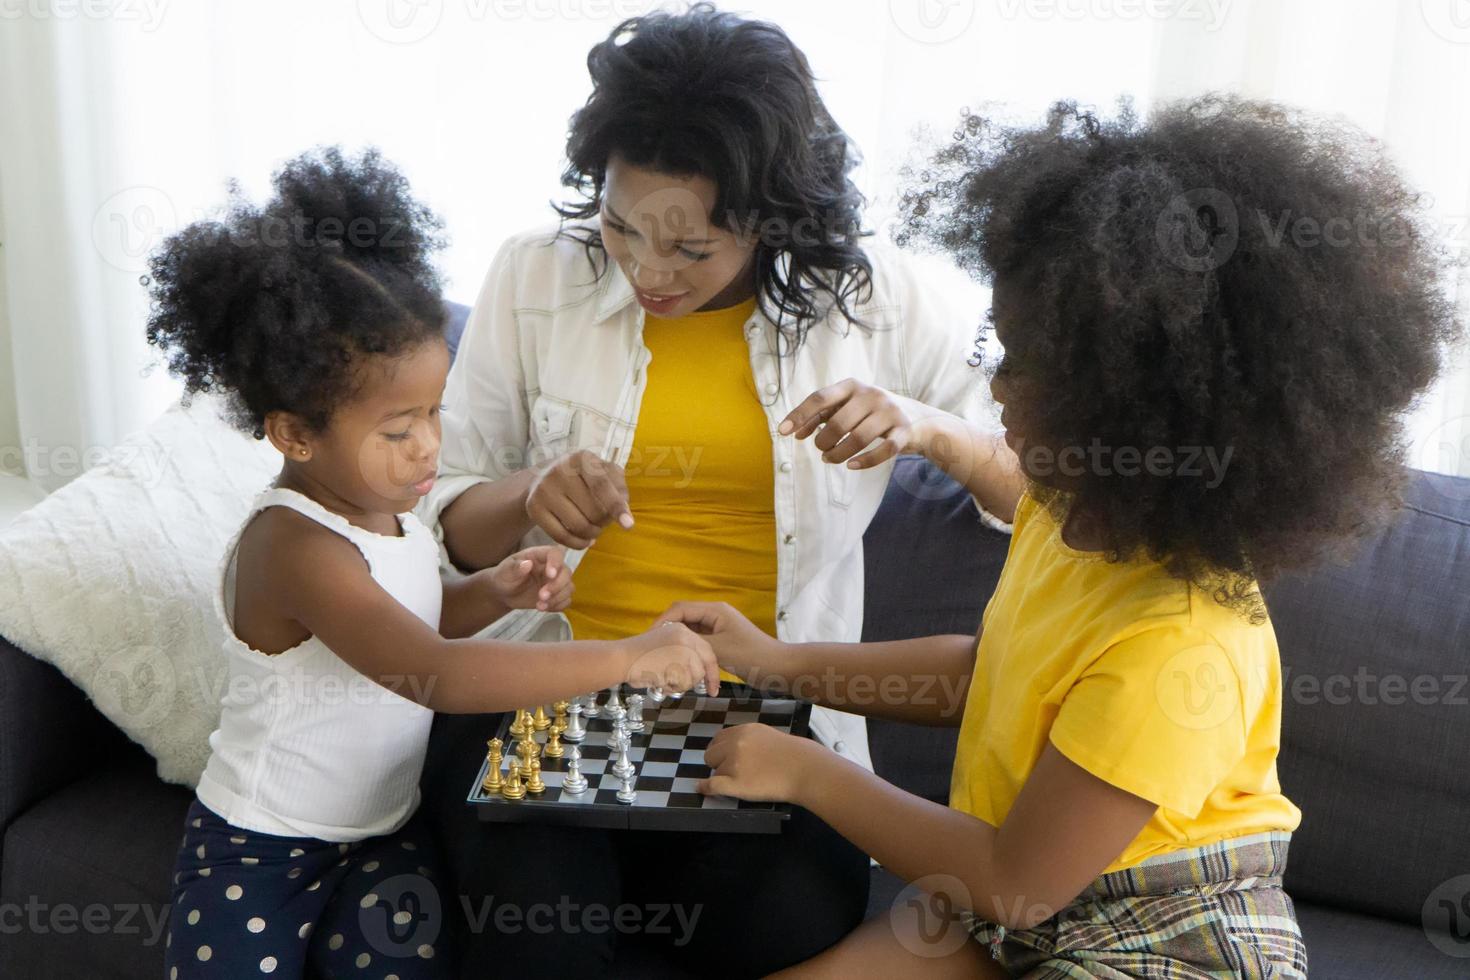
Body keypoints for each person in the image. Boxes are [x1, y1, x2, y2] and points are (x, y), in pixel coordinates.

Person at [662, 96, 1460, 978]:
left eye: (1022, 361)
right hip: (1004, 902)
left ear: (1122, 397)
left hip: (1159, 938)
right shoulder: (1071, 504)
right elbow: (990, 674)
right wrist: (773, 660)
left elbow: (1017, 882)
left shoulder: (1182, 646)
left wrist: (809, 773)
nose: (994, 385)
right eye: (995, 345)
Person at [416, 6, 1015, 975]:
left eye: (691, 249)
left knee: (785, 920)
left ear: (771, 219)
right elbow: (443, 516)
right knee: (540, 940)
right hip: (539, 696)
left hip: (763, 719)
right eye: (620, 224)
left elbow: (1040, 500)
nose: (649, 269)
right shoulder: (535, 276)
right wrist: (530, 493)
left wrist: (929, 426)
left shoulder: (869, 298)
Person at [147, 147, 718, 980]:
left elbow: (419, 618)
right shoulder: (295, 545)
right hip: (261, 847)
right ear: (295, 435)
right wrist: (629, 658)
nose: (429, 450)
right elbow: (430, 674)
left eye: (433, 413)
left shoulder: (393, 514)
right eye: (396, 429)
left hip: (385, 831)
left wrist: (491, 588)